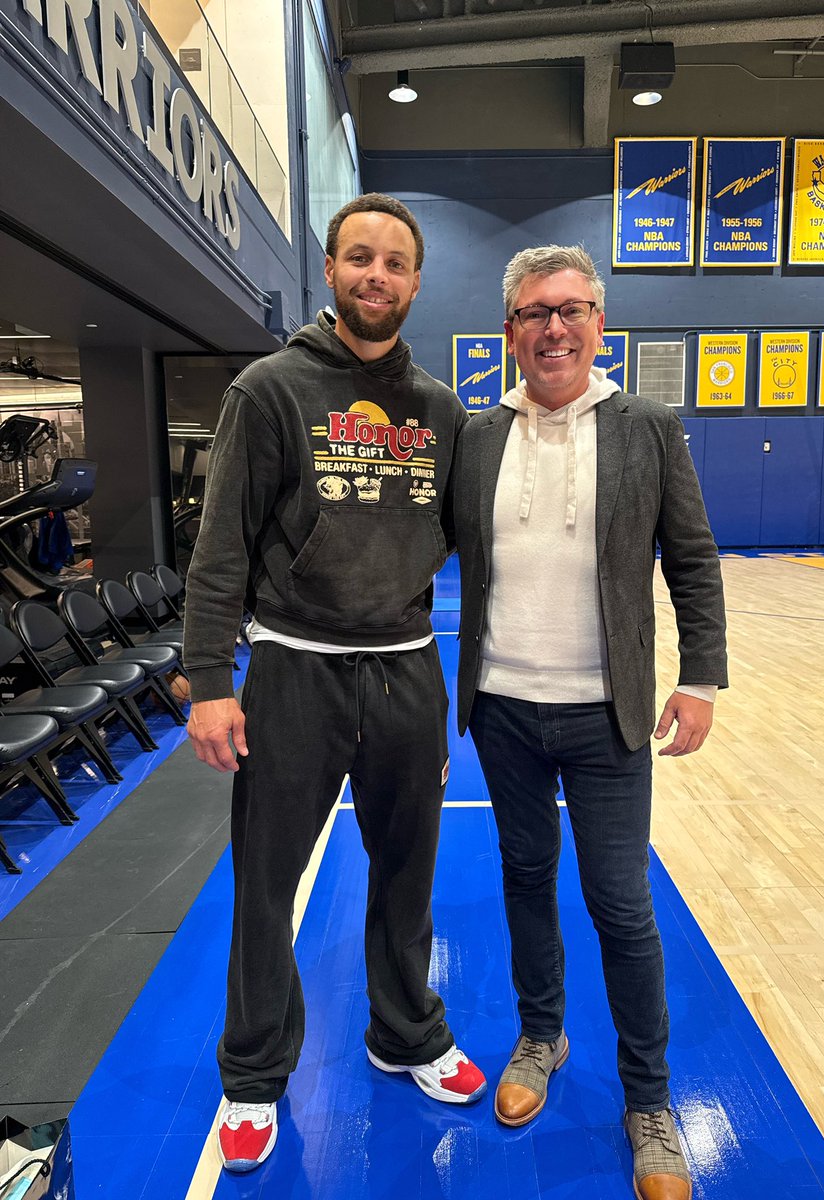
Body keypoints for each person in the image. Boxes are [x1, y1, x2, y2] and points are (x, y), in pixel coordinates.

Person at [183, 193, 486, 1175]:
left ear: (413, 282)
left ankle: (407, 1033)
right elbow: (221, 542)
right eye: (360, 257)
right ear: (330, 269)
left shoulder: (440, 411)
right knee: (265, 886)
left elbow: (466, 542)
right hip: (292, 674)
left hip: (404, 674)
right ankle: (254, 1075)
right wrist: (208, 679)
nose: (377, 275)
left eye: (395, 263)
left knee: (408, 873)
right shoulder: (269, 391)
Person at [453, 245, 727, 1200]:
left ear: (600, 324)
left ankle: (649, 1101)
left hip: (608, 719)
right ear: (510, 334)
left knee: (621, 905)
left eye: (571, 310)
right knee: (526, 877)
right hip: (503, 711)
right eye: (535, 313)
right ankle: (541, 1035)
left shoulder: (649, 426)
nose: (554, 328)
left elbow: (692, 559)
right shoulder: (477, 436)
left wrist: (701, 680)